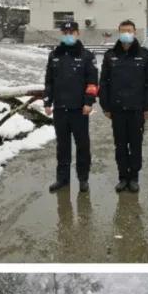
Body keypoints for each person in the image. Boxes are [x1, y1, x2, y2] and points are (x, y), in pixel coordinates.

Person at [99, 20, 148, 193]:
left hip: (136, 109)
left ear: (134, 32)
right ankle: (123, 177)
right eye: (123, 30)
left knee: (136, 144)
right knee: (120, 145)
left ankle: (134, 178)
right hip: (117, 109)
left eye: (129, 30)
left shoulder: (144, 55)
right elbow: (104, 83)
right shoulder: (110, 56)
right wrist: (106, 107)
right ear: (119, 32)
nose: (126, 33)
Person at [43, 20, 98, 193]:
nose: (68, 36)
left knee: (83, 145)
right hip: (60, 109)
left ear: (77, 33)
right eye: (65, 33)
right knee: (62, 145)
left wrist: (89, 102)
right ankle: (62, 179)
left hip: (79, 109)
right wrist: (47, 101)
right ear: (62, 34)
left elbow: (92, 82)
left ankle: (83, 178)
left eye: (71, 33)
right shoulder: (54, 55)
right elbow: (49, 81)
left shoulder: (86, 56)